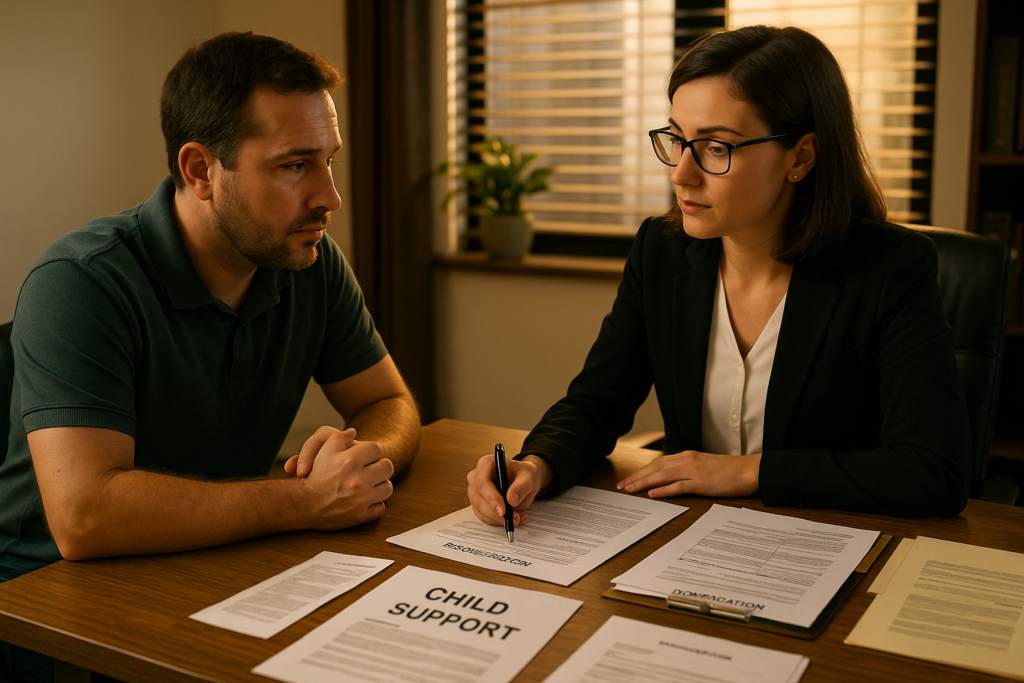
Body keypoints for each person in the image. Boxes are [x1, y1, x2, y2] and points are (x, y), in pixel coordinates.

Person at [467, 25, 972, 527]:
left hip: (833, 542)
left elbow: (934, 471)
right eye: (677, 140)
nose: (681, 173)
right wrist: (537, 464)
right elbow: (598, 401)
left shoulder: (890, 268)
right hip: (693, 538)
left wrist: (749, 472)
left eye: (715, 148)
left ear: (800, 156)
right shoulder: (661, 252)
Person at [0, 32, 421, 581]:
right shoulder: (80, 283)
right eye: (295, 165)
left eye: (328, 161)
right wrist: (307, 500)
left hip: (215, 562)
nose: (329, 198)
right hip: (49, 602)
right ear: (201, 170)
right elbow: (85, 517)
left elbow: (389, 400)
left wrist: (359, 459)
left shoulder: (308, 260)